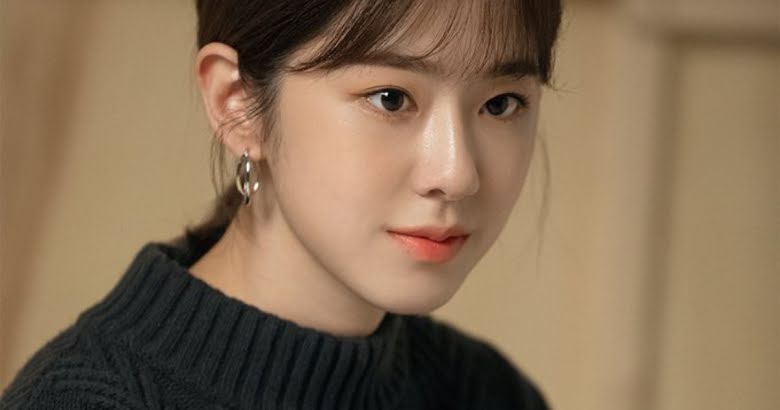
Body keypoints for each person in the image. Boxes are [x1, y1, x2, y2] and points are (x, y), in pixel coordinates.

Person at [1, 0, 561, 408]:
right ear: (237, 103)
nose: (457, 174)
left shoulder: (487, 393)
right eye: (391, 99)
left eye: (501, 103)